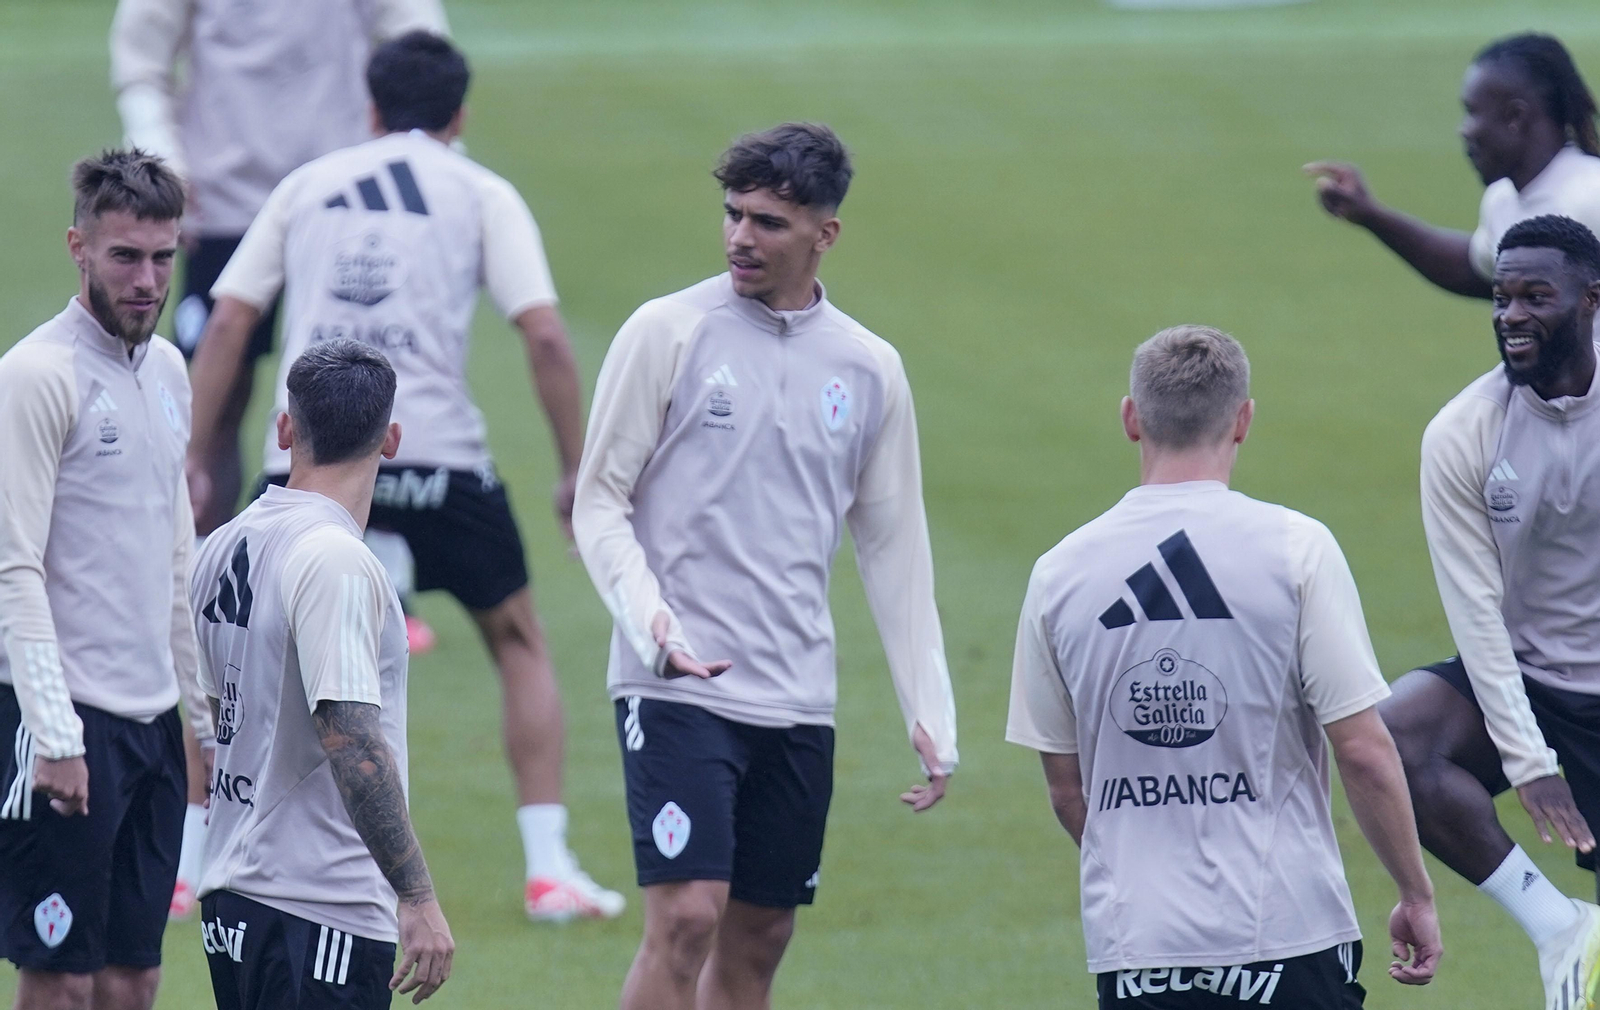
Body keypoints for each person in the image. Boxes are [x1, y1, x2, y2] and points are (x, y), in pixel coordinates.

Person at [184, 31, 620, 921]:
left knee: (228, 652)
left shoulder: (307, 184)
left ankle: (192, 865)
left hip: (306, 457)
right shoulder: (482, 192)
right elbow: (543, 333)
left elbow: (228, 322)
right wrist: (575, 470)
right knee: (519, 641)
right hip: (437, 453)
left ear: (371, 106)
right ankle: (547, 869)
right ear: (460, 114)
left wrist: (191, 457)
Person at [572, 121, 960, 1010]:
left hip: (795, 696)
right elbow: (599, 501)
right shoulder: (668, 332)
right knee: (686, 919)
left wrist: (930, 708)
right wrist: (652, 622)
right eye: (733, 214)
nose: (741, 237)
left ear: (826, 234)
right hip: (677, 683)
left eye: (769, 223)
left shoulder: (869, 368)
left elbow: (895, 546)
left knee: (760, 938)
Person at [110, 0, 450, 920]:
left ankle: (358, 579)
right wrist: (161, 149)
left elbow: (415, 28)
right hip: (216, 199)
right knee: (213, 413)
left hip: (337, 200)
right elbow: (143, 47)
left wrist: (400, 141)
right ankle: (206, 586)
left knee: (342, 391)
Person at [1007, 325, 1443, 1008]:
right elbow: (1361, 751)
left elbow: (1068, 792)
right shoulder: (1297, 550)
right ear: (1243, 420)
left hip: (1138, 945)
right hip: (1287, 932)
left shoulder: (1058, 574)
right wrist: (1415, 892)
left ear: (1130, 418)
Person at [0, 149, 214, 1010]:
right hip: (65, 716)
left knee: (134, 978)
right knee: (61, 980)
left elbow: (177, 553)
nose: (147, 280)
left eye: (163, 257)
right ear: (78, 247)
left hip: (151, 725)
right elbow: (13, 565)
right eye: (125, 256)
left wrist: (201, 718)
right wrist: (55, 733)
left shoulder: (167, 372)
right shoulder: (36, 376)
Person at [192, 339, 454, 1007]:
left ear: (285, 429)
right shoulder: (336, 560)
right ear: (390, 440)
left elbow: (213, 714)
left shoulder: (223, 545)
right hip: (317, 905)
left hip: (233, 898)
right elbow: (352, 737)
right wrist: (417, 896)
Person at [1381, 214, 1600, 1010]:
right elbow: (1474, 612)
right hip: (1529, 675)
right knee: (1395, 737)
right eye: (1502, 298)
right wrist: (1528, 759)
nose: (1511, 315)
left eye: (1536, 296)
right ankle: (1561, 929)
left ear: (1591, 300)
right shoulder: (1464, 432)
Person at [1307, 33, 1600, 303]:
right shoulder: (1503, 200)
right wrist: (1370, 214)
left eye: (1472, 112)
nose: (1464, 130)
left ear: (1515, 117)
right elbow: (1472, 271)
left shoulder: (1591, 194)